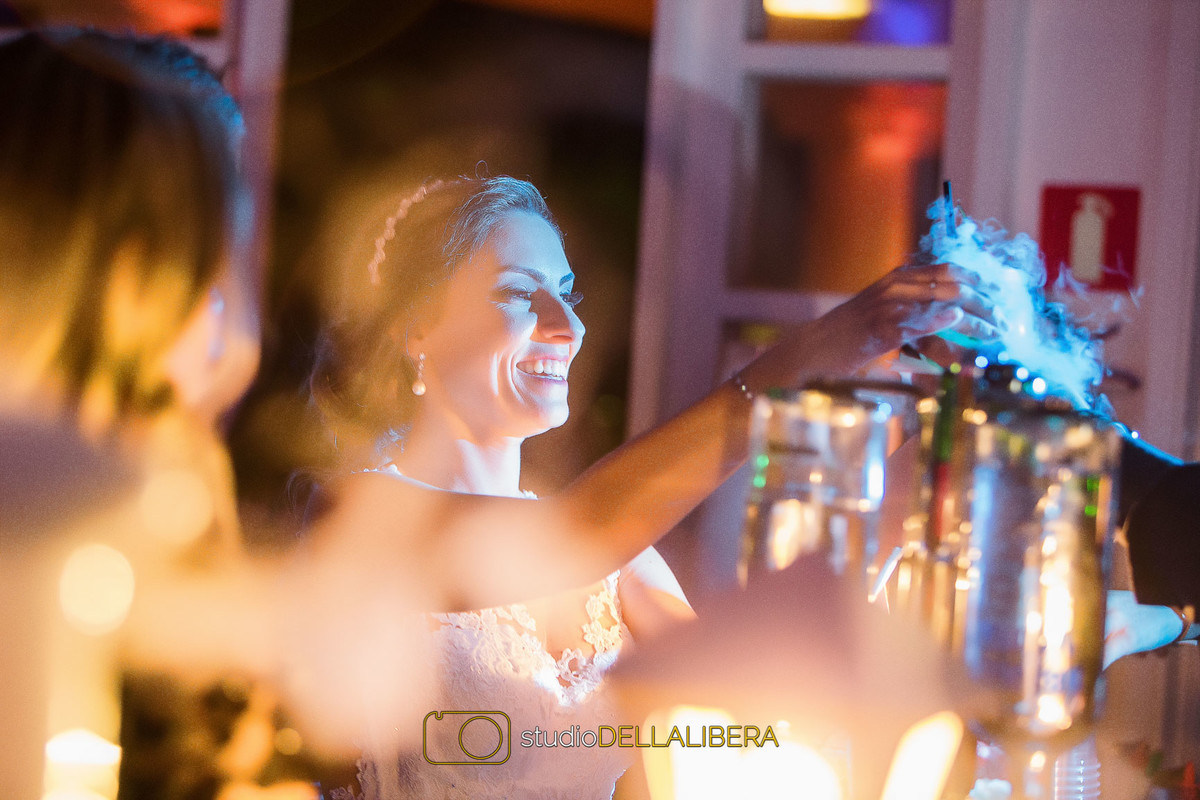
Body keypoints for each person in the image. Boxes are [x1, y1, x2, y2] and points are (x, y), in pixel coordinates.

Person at [307, 174, 1001, 799]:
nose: (568, 326)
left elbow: (758, 722)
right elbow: (571, 536)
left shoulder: (622, 563)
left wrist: (913, 491)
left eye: (568, 294)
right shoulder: (353, 515)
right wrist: (810, 355)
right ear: (415, 328)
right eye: (520, 293)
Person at [0, 28, 311, 800]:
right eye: (217, 257)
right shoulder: (63, 518)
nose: (233, 335)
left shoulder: (171, 491)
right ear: (130, 273)